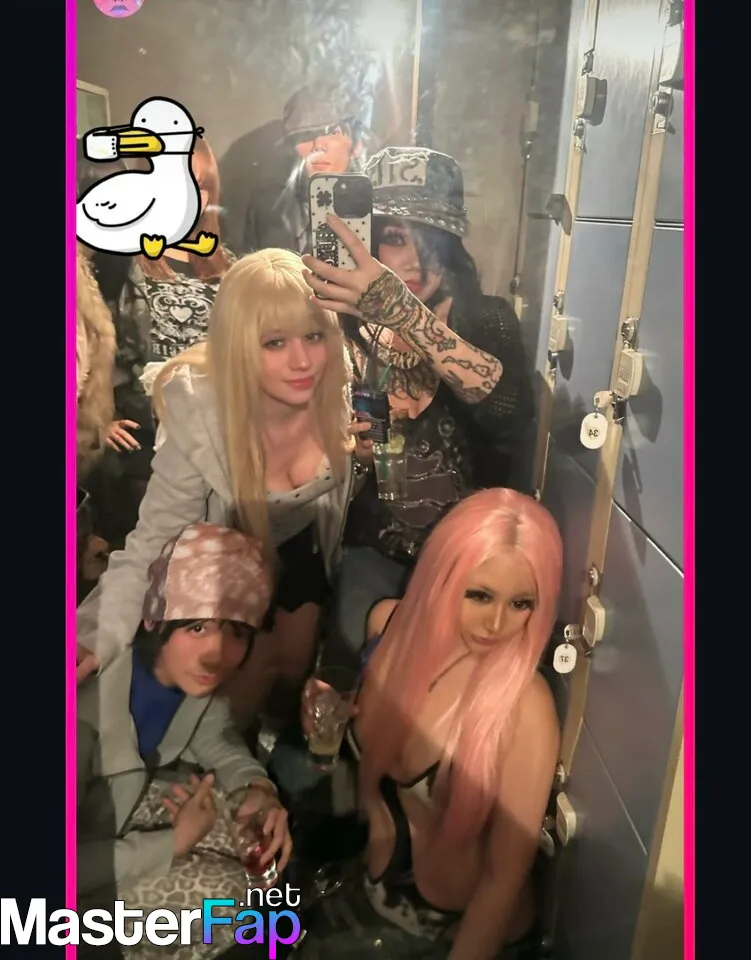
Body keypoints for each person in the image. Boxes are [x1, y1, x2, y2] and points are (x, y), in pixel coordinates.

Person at [75, 247, 357, 732]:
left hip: (306, 545)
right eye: (274, 343)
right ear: (238, 347)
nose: (302, 361)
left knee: (292, 671)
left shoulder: (343, 388)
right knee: (233, 701)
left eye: (314, 336)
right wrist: (92, 633)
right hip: (223, 567)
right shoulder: (202, 419)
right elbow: (153, 542)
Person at [298, 488, 563, 959]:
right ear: (442, 576)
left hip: (451, 932)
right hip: (367, 883)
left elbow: (502, 882)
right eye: (480, 595)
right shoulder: (389, 626)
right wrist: (329, 706)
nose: (497, 623)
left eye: (522, 603)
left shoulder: (526, 708)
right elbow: (363, 729)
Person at [301, 149, 535, 666]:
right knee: (354, 666)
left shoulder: (485, 319)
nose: (411, 262)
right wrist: (361, 452)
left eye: (429, 239)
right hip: (376, 546)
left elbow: (507, 410)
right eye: (392, 236)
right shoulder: (352, 324)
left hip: (470, 561)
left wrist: (402, 311)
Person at [77, 521, 293, 959]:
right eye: (197, 628)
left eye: (236, 632)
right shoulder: (82, 707)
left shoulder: (180, 679)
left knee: (253, 837)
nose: (218, 654)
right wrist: (171, 844)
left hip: (113, 820)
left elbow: (216, 737)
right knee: (230, 901)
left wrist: (258, 789)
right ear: (157, 620)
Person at [220, 85, 367, 256]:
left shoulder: (377, 212)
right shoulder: (268, 208)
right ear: (291, 147)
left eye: (333, 133)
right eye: (306, 135)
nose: (319, 145)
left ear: (357, 145)